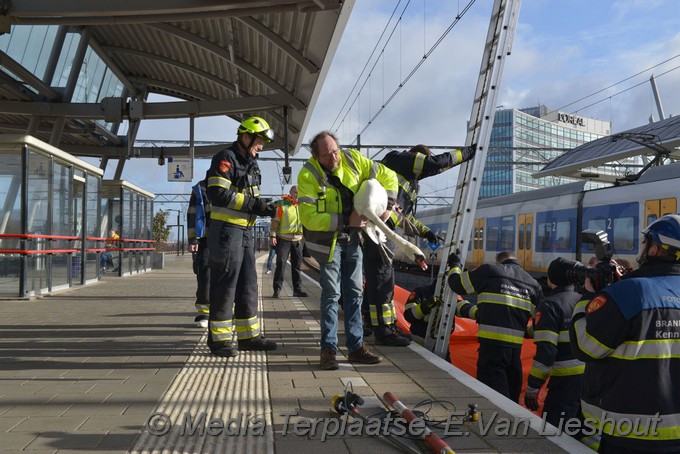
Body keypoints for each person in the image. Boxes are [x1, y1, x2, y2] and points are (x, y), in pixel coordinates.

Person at [570, 214, 680, 453]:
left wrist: (587, 300)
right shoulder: (630, 289)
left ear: (654, 248)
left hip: (631, 430)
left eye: (645, 243)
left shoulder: (630, 293)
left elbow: (585, 346)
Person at [297, 130, 398, 370]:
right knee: (331, 295)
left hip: (354, 240)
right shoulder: (308, 175)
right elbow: (309, 218)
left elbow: (389, 175)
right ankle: (328, 350)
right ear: (316, 157)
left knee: (354, 293)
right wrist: (345, 221)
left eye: (335, 151)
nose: (334, 158)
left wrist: (389, 206)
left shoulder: (352, 159)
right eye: (327, 155)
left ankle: (356, 348)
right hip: (328, 243)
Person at [362, 143, 476, 346]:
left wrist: (427, 232)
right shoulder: (399, 159)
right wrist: (466, 154)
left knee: (375, 280)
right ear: (416, 157)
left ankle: (370, 323)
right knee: (383, 278)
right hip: (378, 226)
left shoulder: (407, 180)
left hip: (380, 226)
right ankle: (385, 330)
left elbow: (402, 216)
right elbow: (435, 163)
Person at [205, 116, 279, 357]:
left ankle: (248, 337)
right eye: (259, 141)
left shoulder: (251, 162)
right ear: (245, 137)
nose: (262, 146)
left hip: (245, 231)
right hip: (227, 231)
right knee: (226, 283)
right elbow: (218, 194)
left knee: (248, 283)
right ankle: (220, 341)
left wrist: (262, 205)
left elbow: (250, 197)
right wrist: (255, 205)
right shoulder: (225, 158)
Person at [448, 250, 543, 403]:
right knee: (512, 399)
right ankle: (510, 425)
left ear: (499, 261)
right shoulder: (534, 284)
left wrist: (455, 266)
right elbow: (540, 324)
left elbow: (456, 284)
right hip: (514, 354)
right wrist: (523, 331)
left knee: (493, 398)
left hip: (492, 350)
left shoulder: (490, 271)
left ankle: (496, 425)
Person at [524, 257, 584, 427]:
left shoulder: (549, 306)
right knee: (581, 429)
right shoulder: (584, 300)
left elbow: (546, 352)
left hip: (564, 384)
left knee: (555, 430)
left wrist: (532, 388)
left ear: (551, 279)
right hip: (588, 380)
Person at [270, 185, 307, 298]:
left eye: (299, 193)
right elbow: (276, 221)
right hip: (284, 239)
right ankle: (277, 290)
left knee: (297, 266)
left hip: (298, 240)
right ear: (290, 192)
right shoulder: (282, 205)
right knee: (281, 264)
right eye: (295, 192)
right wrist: (273, 236)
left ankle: (297, 290)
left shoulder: (302, 205)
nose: (297, 195)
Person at [188, 179, 211, 328]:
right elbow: (192, 214)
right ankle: (204, 313)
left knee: (229, 276)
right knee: (205, 277)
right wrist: (192, 239)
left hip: (228, 237)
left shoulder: (234, 183)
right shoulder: (199, 189)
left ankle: (227, 312)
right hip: (205, 239)